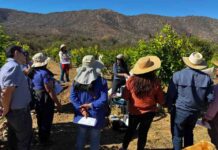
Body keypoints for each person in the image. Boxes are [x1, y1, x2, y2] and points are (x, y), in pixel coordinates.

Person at [166, 52, 214, 150]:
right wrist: (202, 107)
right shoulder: (207, 78)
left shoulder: (177, 75)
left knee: (177, 135)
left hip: (180, 110)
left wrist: (170, 106)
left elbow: (171, 94)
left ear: (188, 62)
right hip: (195, 112)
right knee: (189, 133)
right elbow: (210, 98)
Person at [120, 56, 164, 150]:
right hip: (149, 111)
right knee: (143, 133)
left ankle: (124, 147)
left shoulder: (131, 81)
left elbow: (125, 96)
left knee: (130, 131)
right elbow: (160, 99)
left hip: (134, 111)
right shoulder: (155, 82)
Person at [70, 55, 108, 150]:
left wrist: (81, 108)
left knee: (81, 134)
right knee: (95, 137)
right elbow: (103, 100)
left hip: (82, 114)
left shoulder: (76, 81)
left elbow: (73, 97)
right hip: (96, 114)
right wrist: (90, 105)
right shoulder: (101, 81)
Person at [0, 45, 32, 150]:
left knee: (13, 139)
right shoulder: (14, 67)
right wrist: (5, 109)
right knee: (24, 140)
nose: (25, 55)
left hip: (14, 112)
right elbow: (7, 91)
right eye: (23, 53)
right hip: (19, 112)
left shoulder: (7, 66)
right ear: (16, 53)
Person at [28, 52, 62, 145]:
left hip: (36, 97)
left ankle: (41, 138)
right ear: (45, 63)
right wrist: (57, 103)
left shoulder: (32, 72)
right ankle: (44, 141)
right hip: (45, 98)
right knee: (47, 119)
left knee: (40, 118)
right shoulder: (45, 73)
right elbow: (49, 90)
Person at [203, 60, 218, 148]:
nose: (216, 69)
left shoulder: (216, 89)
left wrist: (207, 117)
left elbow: (214, 106)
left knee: (215, 138)